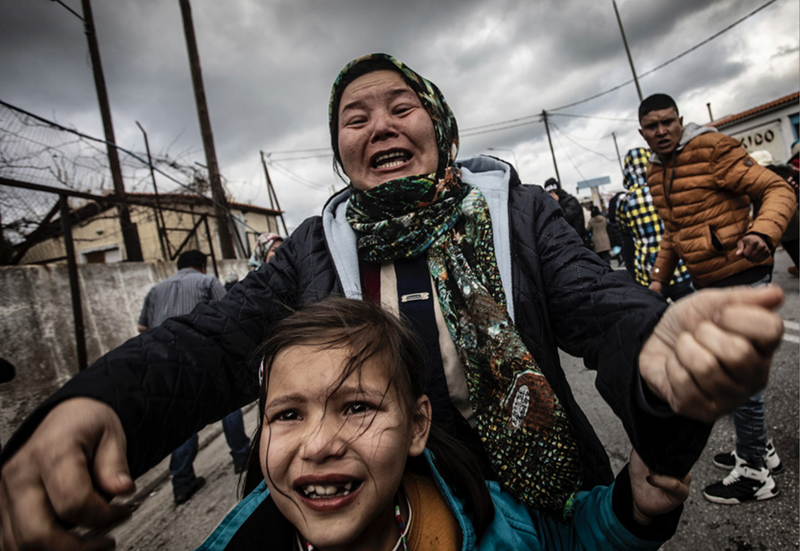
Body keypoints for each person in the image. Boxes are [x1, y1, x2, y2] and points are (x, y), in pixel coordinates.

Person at [0, 55, 786, 551]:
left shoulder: (513, 211)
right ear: (341, 149)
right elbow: (211, 342)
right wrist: (101, 404)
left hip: (540, 513)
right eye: (355, 116)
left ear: (438, 126)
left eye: (400, 106)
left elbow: (603, 307)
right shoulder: (313, 247)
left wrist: (661, 349)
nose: (380, 123)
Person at [198, 298, 690, 551]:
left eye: (356, 407)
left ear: (416, 425)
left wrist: (637, 505)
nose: (319, 444)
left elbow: (578, 539)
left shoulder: (498, 521)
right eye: (287, 414)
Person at [638, 93, 796, 505]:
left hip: (742, 272)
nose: (662, 131)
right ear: (643, 133)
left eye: (668, 122)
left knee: (736, 379)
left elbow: (777, 188)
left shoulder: (712, 148)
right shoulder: (656, 172)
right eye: (653, 126)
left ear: (680, 121)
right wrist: (657, 282)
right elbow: (674, 233)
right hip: (707, 286)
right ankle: (760, 448)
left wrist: (762, 233)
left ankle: (755, 473)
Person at [138, 250, 251, 504]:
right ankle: (241, 456)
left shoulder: (156, 290)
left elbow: (142, 327)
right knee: (228, 405)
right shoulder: (207, 281)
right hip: (205, 357)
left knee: (183, 418)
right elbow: (229, 314)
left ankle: (182, 482)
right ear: (202, 265)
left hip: (166, 362)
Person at [615, 147, 693, 301]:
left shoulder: (625, 201)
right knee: (692, 313)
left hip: (648, 271)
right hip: (678, 265)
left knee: (660, 318)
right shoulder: (666, 188)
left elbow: (625, 232)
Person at [544, 177, 592, 249]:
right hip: (563, 243)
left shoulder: (570, 201)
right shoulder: (549, 205)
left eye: (553, 192)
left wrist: (555, 204)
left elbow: (566, 217)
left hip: (578, 241)